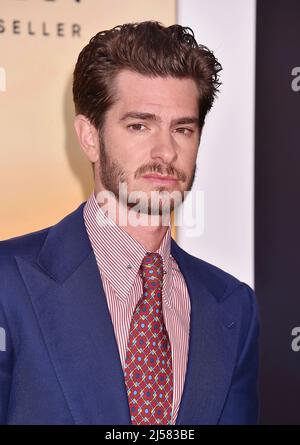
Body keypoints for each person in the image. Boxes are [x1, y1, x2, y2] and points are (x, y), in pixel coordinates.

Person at [0, 21, 259, 425]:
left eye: (183, 129)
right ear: (89, 136)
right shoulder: (8, 282)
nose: (166, 151)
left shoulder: (232, 305)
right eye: (139, 125)